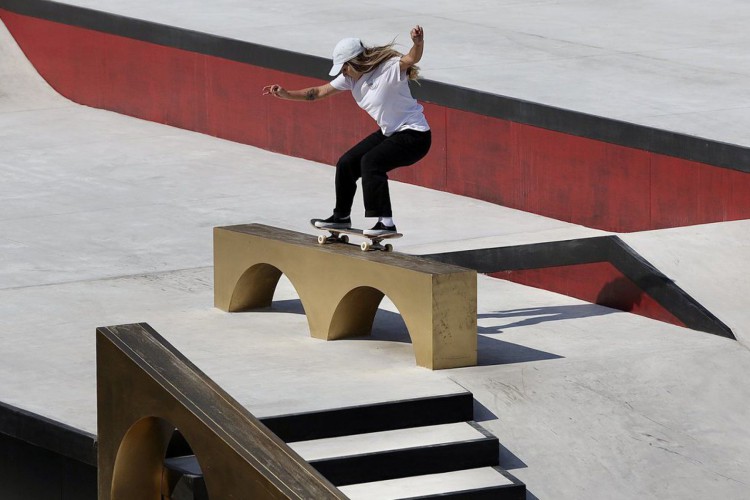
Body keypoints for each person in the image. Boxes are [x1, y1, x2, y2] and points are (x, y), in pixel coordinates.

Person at [262, 26, 431, 236]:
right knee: (347, 163)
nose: (343, 72)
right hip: (391, 132)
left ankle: (386, 223)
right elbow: (318, 92)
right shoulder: (350, 77)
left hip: (415, 135)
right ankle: (341, 217)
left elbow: (411, 59)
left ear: (355, 62)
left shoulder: (388, 68)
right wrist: (287, 94)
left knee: (371, 162)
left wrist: (418, 43)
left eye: (344, 67)